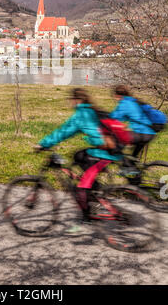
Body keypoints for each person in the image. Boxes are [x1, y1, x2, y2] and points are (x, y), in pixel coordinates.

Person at [36, 87, 123, 234]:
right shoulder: (91, 110)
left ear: (76, 100)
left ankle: (85, 220)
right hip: (111, 149)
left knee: (81, 188)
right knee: (78, 156)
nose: (70, 102)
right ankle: (94, 191)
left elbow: (64, 131)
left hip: (106, 153)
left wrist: (43, 144)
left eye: (71, 100)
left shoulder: (81, 114)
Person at [110, 85, 156, 174]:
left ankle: (129, 167)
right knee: (132, 158)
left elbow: (113, 118)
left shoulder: (124, 103)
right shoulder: (134, 101)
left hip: (141, 133)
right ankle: (135, 179)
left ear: (117, 95)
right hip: (150, 133)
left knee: (115, 144)